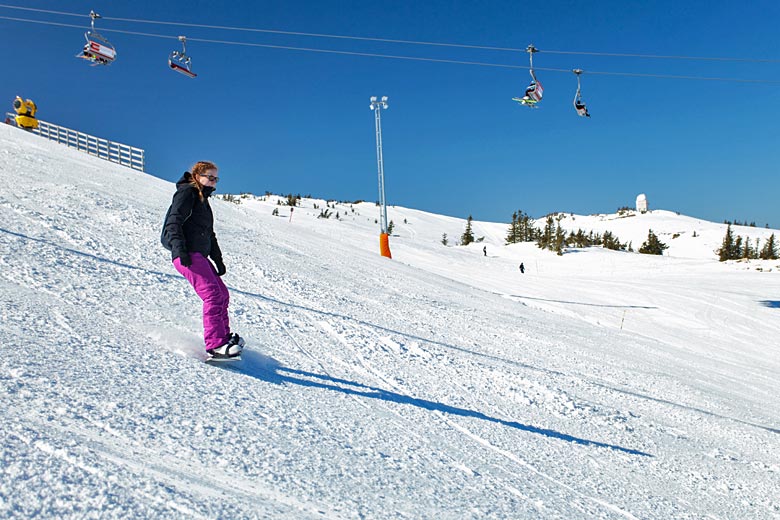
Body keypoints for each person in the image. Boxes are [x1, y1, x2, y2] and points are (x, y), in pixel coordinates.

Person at [162, 161, 244, 358]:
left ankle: (223, 337)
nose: (213, 182)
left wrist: (218, 259)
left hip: (199, 254)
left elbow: (209, 234)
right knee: (213, 295)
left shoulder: (203, 200)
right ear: (197, 176)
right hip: (187, 254)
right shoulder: (187, 193)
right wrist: (179, 249)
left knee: (222, 294)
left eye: (216, 178)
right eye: (210, 177)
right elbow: (174, 222)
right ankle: (215, 345)